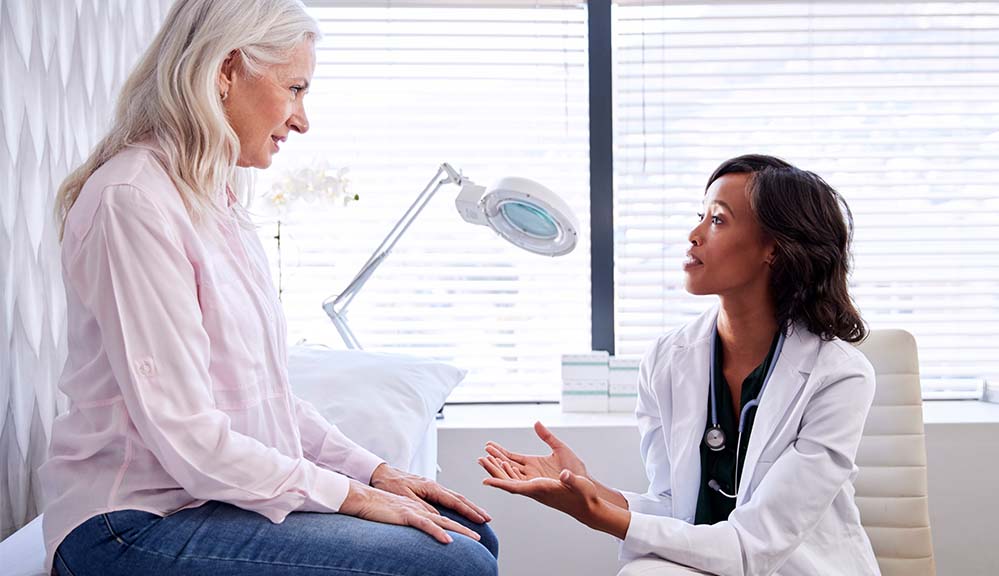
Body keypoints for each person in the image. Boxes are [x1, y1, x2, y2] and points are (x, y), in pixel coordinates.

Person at [40, 1, 497, 574]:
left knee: (472, 535)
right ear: (227, 71)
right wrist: (353, 497)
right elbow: (188, 435)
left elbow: (266, 399)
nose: (302, 120)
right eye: (295, 89)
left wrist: (377, 473)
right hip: (127, 525)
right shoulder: (134, 201)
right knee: (455, 563)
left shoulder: (216, 201)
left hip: (207, 503)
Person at [480, 155, 881, 575]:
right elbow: (676, 507)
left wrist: (599, 514)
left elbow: (754, 545)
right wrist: (585, 489)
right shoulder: (666, 360)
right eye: (700, 217)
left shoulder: (838, 377)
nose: (693, 235)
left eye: (718, 221)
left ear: (774, 249)